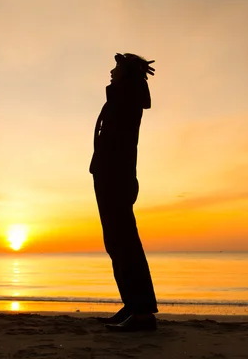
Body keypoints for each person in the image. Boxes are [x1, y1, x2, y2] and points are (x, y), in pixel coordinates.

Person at [90, 53, 158, 332]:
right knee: (117, 244)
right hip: (111, 175)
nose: (111, 71)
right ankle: (133, 306)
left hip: (116, 177)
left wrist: (132, 72)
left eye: (116, 68)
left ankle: (141, 313)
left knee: (124, 244)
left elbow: (118, 140)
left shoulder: (127, 97)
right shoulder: (122, 96)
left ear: (127, 74)